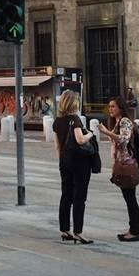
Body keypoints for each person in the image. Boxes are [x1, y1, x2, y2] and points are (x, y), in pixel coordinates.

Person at [54, 90, 95, 244]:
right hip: (80, 163)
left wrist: (62, 161)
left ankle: (65, 230)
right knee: (79, 198)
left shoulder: (57, 121)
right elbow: (79, 139)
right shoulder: (75, 120)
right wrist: (90, 134)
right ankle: (78, 232)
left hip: (64, 162)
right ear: (73, 103)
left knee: (66, 196)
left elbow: (57, 146)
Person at [100, 96, 139, 242]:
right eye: (109, 106)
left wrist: (106, 132)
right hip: (121, 164)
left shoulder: (124, 121)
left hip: (127, 165)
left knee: (131, 199)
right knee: (128, 198)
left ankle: (135, 231)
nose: (110, 109)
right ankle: (132, 228)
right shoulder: (118, 121)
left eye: (113, 106)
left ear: (120, 108)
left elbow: (124, 139)